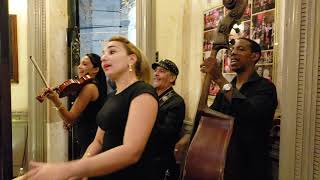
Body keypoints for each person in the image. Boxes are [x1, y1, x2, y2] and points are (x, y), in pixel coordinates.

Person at [23, 36, 160, 180]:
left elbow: (131, 151)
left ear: (131, 59)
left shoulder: (143, 92)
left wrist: (67, 169)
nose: (104, 58)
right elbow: (98, 141)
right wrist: (80, 170)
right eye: (103, 53)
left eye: (112, 52)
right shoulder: (112, 96)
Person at [200, 37, 278, 180]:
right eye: (233, 50)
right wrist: (188, 137)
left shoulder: (265, 88)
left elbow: (248, 111)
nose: (233, 53)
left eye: (241, 49)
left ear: (254, 56)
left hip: (250, 168)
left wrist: (219, 78)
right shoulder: (227, 88)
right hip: (222, 161)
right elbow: (209, 117)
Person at [38, 53, 109, 159]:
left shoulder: (90, 88)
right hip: (89, 138)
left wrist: (55, 100)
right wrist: (77, 120)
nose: (79, 67)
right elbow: (90, 113)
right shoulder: (93, 85)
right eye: (79, 64)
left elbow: (69, 118)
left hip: (91, 141)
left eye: (84, 64)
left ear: (96, 69)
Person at [151, 59, 185, 180]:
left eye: (161, 71)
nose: (156, 74)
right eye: (155, 71)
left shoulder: (176, 102)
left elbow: (167, 133)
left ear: (172, 78)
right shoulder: (149, 96)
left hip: (161, 158)